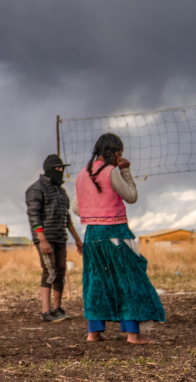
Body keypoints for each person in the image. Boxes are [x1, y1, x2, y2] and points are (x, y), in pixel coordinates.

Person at [73, 133, 163, 344]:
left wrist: (95, 211)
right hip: (116, 232)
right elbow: (131, 196)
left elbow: (76, 208)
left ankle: (94, 333)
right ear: (114, 152)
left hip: (92, 235)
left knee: (95, 280)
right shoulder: (112, 171)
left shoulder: (82, 173)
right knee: (129, 278)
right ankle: (133, 334)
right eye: (120, 152)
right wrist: (126, 170)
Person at [26, 154, 84, 322]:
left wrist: (77, 239)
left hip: (60, 238)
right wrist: (42, 239)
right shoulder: (36, 189)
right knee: (49, 271)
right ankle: (46, 311)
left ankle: (58, 309)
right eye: (57, 168)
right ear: (49, 169)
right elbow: (34, 216)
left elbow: (67, 218)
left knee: (60, 271)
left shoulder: (61, 191)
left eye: (62, 168)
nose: (60, 171)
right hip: (46, 238)